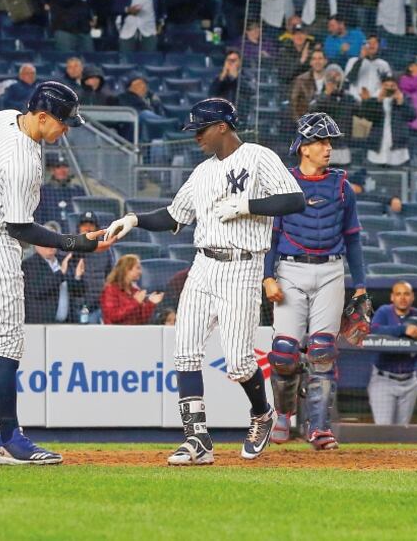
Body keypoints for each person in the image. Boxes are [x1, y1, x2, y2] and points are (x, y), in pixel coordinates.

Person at [106, 98, 304, 465]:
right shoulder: (201, 172)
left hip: (242, 265)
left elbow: (295, 200)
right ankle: (197, 440)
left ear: (223, 127)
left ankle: (262, 414)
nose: (196, 136)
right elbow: (173, 215)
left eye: (202, 129)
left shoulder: (259, 157)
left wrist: (249, 207)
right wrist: (133, 219)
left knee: (240, 364)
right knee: (185, 351)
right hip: (203, 265)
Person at [0, 81, 114, 466]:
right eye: (62, 122)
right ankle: (10, 439)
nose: (66, 130)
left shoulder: (4, 116)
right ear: (41, 116)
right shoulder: (22, 160)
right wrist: (80, 243)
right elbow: (21, 229)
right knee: (7, 342)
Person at [263, 113, 366, 450]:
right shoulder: (284, 183)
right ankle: (283, 414)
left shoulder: (341, 185)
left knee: (321, 352)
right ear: (304, 147)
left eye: (330, 142)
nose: (328, 148)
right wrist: (267, 277)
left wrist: (361, 284)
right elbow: (271, 237)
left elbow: (353, 238)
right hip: (290, 270)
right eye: (322, 141)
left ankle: (319, 428)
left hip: (332, 271)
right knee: (283, 354)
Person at [368, 281, 417, 425]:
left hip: (410, 381)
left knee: (402, 432)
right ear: (392, 297)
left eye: (406, 294)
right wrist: (403, 330)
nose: (402, 298)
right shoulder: (384, 311)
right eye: (398, 294)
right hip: (384, 380)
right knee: (384, 429)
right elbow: (373, 330)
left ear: (412, 297)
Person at [22, 233, 86, 324]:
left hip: (67, 323)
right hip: (41, 324)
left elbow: (78, 293)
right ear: (36, 245)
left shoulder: (64, 261)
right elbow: (39, 290)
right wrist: (61, 273)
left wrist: (78, 276)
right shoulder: (29, 265)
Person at [360, 75, 415, 166]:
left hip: (398, 142)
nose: (389, 88)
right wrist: (379, 101)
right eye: (386, 85)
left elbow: (412, 116)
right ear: (381, 86)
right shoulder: (375, 99)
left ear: (397, 87)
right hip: (378, 141)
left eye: (392, 86)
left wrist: (401, 103)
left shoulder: (405, 98)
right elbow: (369, 117)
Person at [100, 254, 165, 325]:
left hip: (135, 331)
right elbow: (113, 316)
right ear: (127, 269)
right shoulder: (110, 290)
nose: (140, 272)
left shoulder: (135, 290)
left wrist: (151, 303)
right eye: (137, 268)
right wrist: (135, 302)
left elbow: (142, 319)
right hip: (115, 332)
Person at [35, 154, 85, 226]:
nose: (62, 170)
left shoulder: (78, 191)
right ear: (53, 171)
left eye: (65, 167)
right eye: (58, 167)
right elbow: (38, 216)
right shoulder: (43, 191)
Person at [343, 36, 391, 101]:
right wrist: (361, 59)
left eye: (375, 43)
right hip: (355, 100)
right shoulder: (353, 61)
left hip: (375, 101)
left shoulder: (384, 64)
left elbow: (388, 85)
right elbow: (349, 79)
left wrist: (373, 98)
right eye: (369, 43)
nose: (372, 45)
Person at [288, 48, 329, 119]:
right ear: (310, 62)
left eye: (320, 58)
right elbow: (294, 104)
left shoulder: (331, 80)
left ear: (325, 61)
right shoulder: (301, 80)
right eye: (314, 59)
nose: (317, 62)